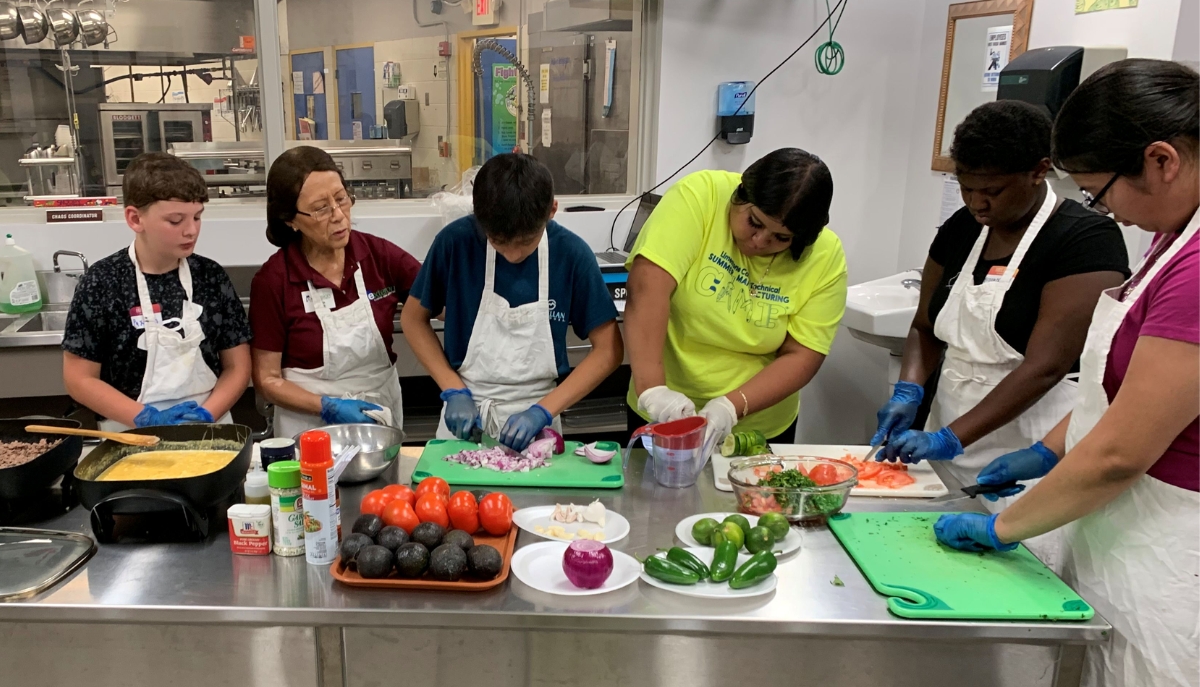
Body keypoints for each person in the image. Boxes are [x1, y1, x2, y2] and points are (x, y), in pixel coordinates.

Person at [935, 59, 1199, 687]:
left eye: (1098, 191)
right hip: (1118, 530)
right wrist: (1044, 453)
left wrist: (1003, 526)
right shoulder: (1173, 238)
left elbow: (1120, 452)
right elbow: (1119, 395)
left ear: (1161, 161)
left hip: (1168, 548)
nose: (1103, 210)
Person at [871, 101, 1130, 501]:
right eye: (966, 188)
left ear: (1039, 171)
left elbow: (1046, 367)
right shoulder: (963, 228)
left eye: (992, 191)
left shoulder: (1085, 240)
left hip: (1028, 449)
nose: (977, 203)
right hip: (950, 436)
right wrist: (909, 390)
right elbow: (926, 326)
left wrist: (951, 438)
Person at [624, 148, 847, 448]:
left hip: (759, 427)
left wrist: (731, 406)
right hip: (663, 410)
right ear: (741, 194)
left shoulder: (825, 255)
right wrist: (652, 390)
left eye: (781, 238)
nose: (759, 241)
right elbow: (647, 290)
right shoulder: (699, 197)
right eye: (754, 222)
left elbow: (803, 354)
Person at [401, 153, 623, 451]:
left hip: (539, 423)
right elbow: (413, 320)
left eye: (525, 242)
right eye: (498, 241)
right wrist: (453, 390)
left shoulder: (571, 254)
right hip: (466, 418)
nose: (513, 255)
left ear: (551, 211)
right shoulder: (455, 243)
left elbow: (609, 350)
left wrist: (543, 410)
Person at [62, 153, 252, 430]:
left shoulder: (210, 277)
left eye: (197, 217)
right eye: (176, 221)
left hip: (210, 428)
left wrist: (207, 415)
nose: (191, 231)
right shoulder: (102, 283)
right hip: (130, 431)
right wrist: (145, 418)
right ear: (135, 218)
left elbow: (237, 366)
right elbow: (79, 379)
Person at [250, 146, 420, 438]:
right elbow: (267, 380)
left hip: (378, 416)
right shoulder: (274, 281)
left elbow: (438, 304)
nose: (339, 215)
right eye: (320, 208)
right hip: (308, 426)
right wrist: (326, 406)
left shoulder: (377, 255)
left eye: (341, 199)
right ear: (290, 219)